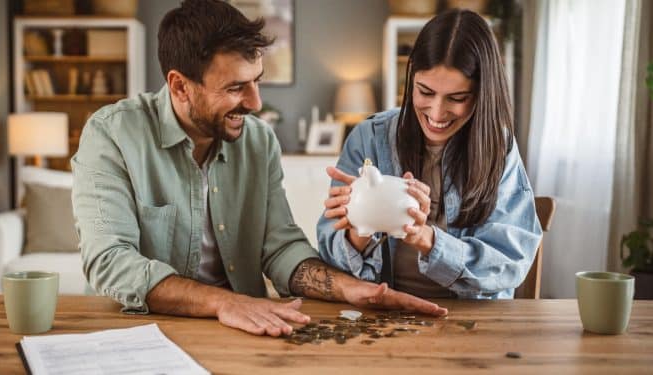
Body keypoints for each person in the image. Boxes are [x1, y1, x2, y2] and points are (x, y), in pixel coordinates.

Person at [71, 0, 447, 338]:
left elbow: (280, 247)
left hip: (246, 330)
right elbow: (110, 261)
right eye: (236, 87)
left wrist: (351, 288)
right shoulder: (112, 135)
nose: (255, 102)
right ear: (180, 86)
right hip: (137, 333)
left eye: (257, 81)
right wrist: (224, 302)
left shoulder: (258, 141)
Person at [318, 9, 542, 299]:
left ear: (483, 94)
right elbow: (330, 262)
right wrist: (360, 225)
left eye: (457, 98)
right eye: (425, 92)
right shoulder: (369, 138)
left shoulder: (499, 148)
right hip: (386, 311)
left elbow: (510, 262)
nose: (437, 113)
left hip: (474, 320)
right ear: (411, 80)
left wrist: (427, 238)